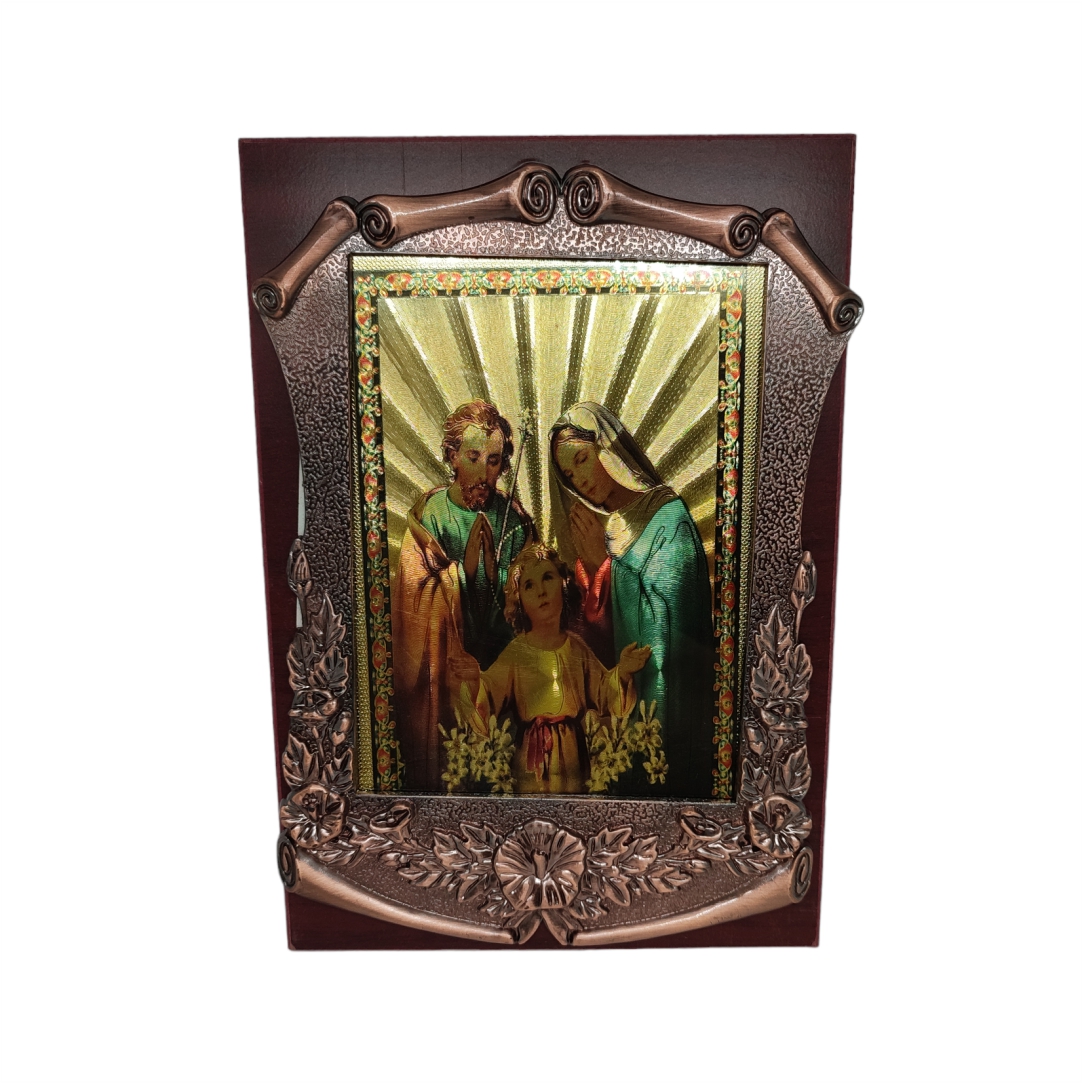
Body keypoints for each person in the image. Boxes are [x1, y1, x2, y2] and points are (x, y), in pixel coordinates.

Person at [550, 402, 715, 796]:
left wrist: (602, 564)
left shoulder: (669, 517)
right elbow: (602, 632)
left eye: (583, 459)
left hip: (671, 689)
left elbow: (670, 620)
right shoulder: (606, 528)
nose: (581, 481)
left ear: (607, 448)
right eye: (569, 476)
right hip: (627, 692)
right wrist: (595, 570)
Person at [391, 400, 533, 791]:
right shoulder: (431, 515)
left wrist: (500, 575)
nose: (484, 474)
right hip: (446, 674)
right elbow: (413, 597)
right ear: (453, 456)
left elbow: (532, 598)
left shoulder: (514, 519)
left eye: (494, 461)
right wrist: (463, 575)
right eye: (473, 458)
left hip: (499, 673)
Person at [454, 544, 650, 794]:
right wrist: (474, 681)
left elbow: (603, 691)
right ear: (519, 600)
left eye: (547, 577)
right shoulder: (516, 653)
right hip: (530, 755)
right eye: (529, 585)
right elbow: (489, 696)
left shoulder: (576, 649)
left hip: (573, 753)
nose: (541, 591)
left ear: (563, 584)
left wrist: (623, 672)